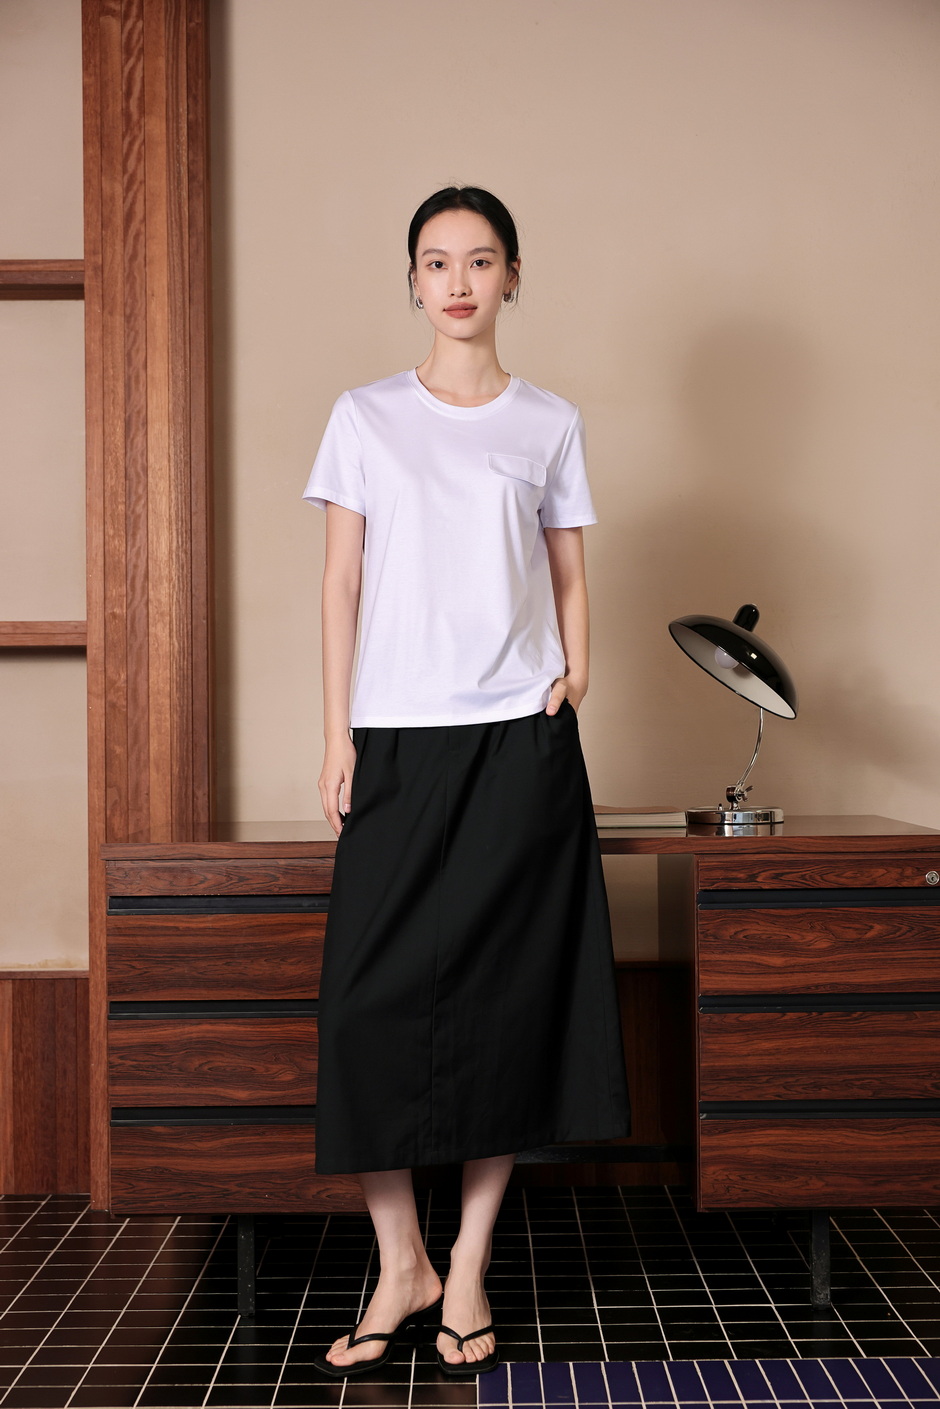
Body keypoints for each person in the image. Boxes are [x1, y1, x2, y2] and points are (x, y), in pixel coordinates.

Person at [302, 186, 631, 1380]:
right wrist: (337, 734)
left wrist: (574, 674)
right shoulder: (364, 416)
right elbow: (340, 582)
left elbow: (568, 569)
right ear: (412, 281)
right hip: (394, 735)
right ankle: (401, 1261)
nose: (457, 281)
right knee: (362, 1003)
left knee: (508, 1002)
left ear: (511, 276)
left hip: (516, 742)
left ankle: (470, 1262)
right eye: (435, 262)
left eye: (479, 260)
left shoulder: (548, 422)